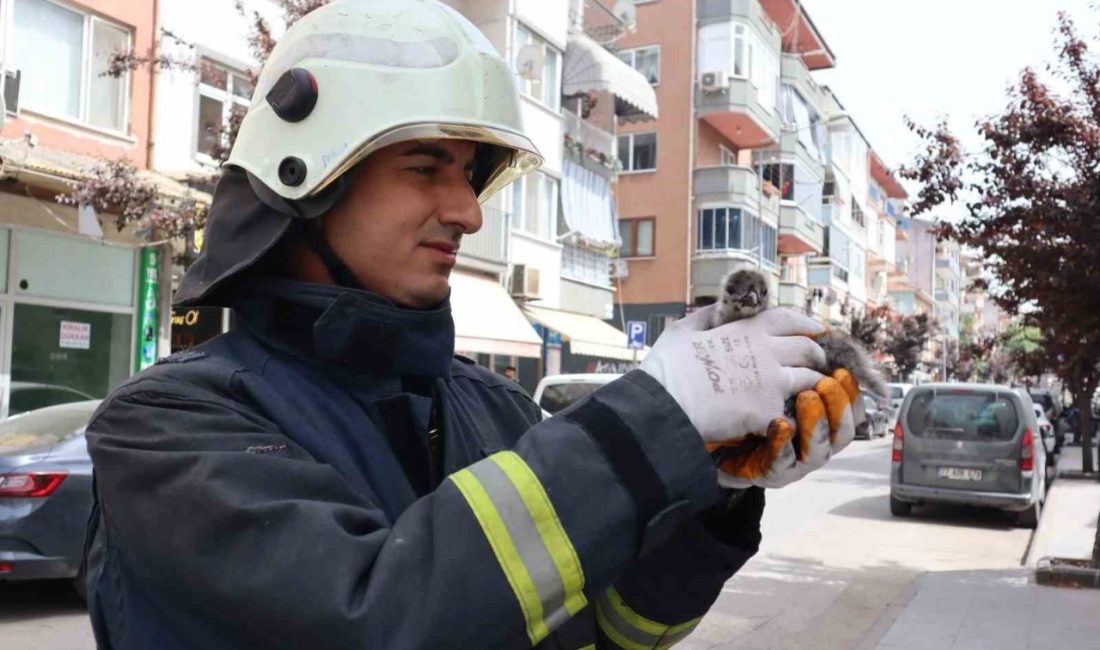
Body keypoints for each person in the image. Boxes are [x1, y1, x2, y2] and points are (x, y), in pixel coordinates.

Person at [82, 2, 862, 648]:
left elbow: (614, 630)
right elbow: (378, 622)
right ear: (307, 182)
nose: (466, 210)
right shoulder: (166, 429)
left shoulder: (496, 411)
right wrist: (649, 421)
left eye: (469, 176)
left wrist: (711, 492)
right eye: (425, 168)